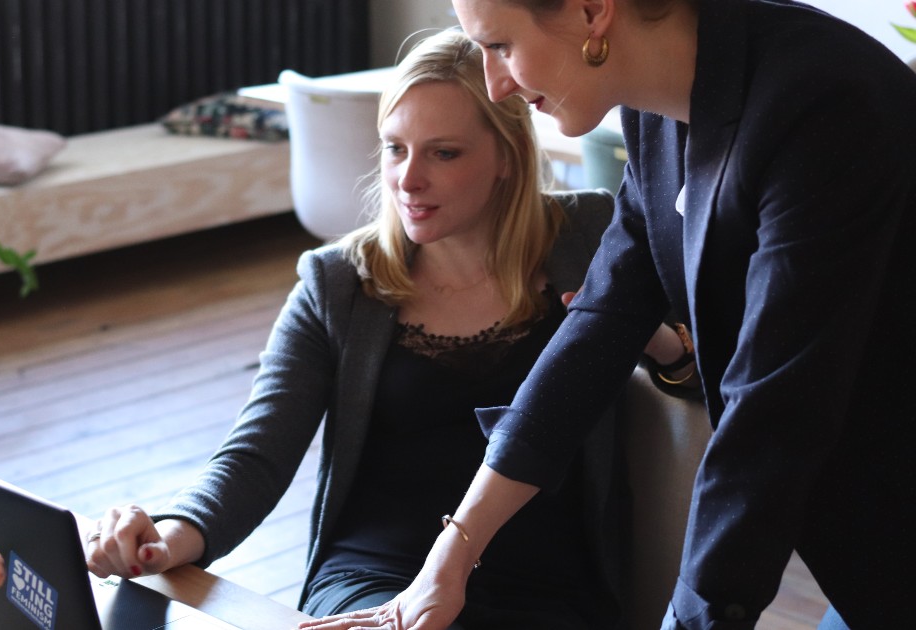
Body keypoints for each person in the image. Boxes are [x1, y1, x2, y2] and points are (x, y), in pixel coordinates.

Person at [301, 1, 916, 629]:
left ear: (593, 11)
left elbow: (773, 416)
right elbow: (599, 322)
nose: (496, 84)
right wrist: (450, 558)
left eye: (501, 46)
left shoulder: (820, 102)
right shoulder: (658, 115)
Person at [85, 27, 693, 629]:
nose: (408, 178)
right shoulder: (339, 284)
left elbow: (701, 379)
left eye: (443, 152)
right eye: (395, 148)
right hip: (371, 577)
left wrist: (649, 338)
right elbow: (256, 455)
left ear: (506, 156)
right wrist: (167, 536)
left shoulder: (590, 234)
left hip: (547, 585)